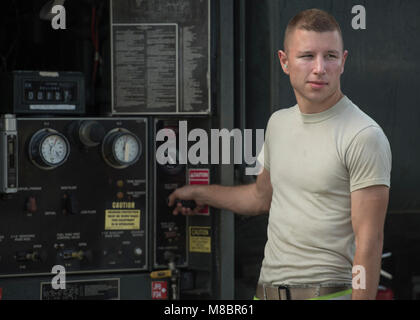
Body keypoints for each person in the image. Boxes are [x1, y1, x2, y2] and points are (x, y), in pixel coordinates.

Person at [168, 8, 391, 300]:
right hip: (266, 294)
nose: (320, 68)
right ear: (284, 62)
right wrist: (201, 193)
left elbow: (370, 241)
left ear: (343, 61)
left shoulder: (363, 135)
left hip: (326, 295)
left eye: (331, 56)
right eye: (307, 56)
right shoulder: (278, 123)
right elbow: (261, 198)